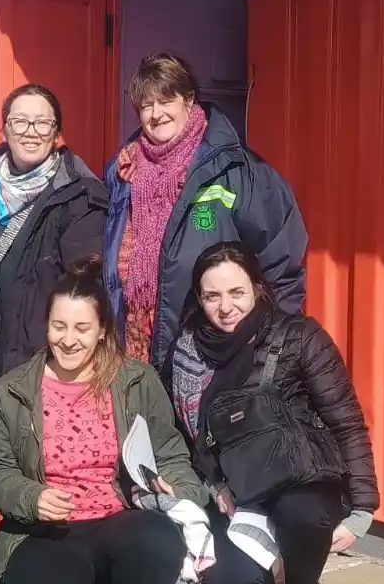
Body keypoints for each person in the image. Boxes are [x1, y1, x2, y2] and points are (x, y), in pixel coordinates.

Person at [0, 256, 206, 584]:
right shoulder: (11, 392)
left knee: (157, 537)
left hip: (120, 520)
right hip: (48, 530)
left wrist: (178, 487)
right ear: (46, 326)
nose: (68, 339)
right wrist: (30, 495)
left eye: (82, 328)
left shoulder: (135, 381)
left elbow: (172, 452)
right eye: (59, 326)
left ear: (102, 329)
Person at [166, 242, 378, 584]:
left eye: (237, 293)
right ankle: (260, 580)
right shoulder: (187, 348)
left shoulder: (300, 337)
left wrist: (363, 509)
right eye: (213, 296)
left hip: (302, 475)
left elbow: (346, 421)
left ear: (257, 288)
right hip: (237, 486)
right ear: (199, 298)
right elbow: (192, 433)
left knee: (304, 517)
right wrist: (213, 483)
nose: (226, 307)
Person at [103, 52, 308, 368]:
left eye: (166, 100)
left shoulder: (236, 169)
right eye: (146, 105)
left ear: (188, 99)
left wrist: (271, 343)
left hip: (213, 353)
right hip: (132, 353)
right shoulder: (123, 172)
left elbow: (281, 259)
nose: (156, 114)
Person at [0, 83, 109, 392]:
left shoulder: (79, 196)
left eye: (43, 122)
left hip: (46, 367)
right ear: (5, 130)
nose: (31, 131)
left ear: (56, 134)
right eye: (20, 121)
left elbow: (82, 288)